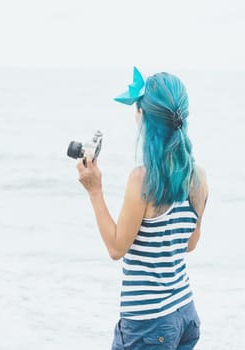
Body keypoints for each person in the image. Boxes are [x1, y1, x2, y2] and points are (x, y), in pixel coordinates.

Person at [76, 67, 208, 349]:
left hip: (148, 323)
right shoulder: (198, 177)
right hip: (184, 312)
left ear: (143, 117)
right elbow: (190, 243)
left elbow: (116, 248)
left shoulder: (142, 180)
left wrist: (95, 191)